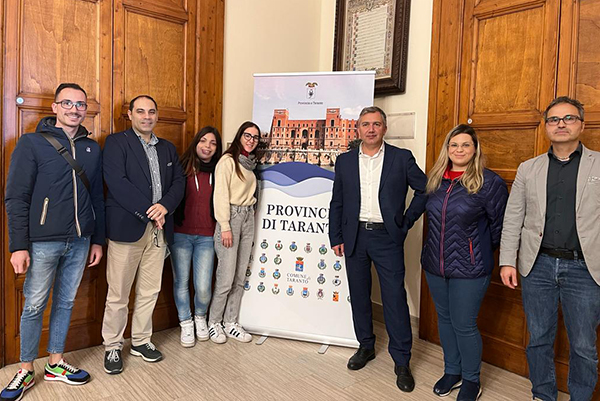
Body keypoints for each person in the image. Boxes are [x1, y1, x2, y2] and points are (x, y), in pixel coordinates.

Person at [2, 83, 105, 401]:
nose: (75, 109)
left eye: (81, 104)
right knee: (34, 304)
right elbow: (16, 197)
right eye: (68, 103)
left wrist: (97, 240)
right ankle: (25, 368)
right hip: (43, 242)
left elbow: (97, 197)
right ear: (55, 107)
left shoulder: (91, 148)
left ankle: (55, 363)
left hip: (80, 240)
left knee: (65, 302)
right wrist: (18, 245)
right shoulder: (32, 143)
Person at [499, 96, 600, 401]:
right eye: (554, 119)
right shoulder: (528, 169)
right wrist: (507, 261)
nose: (561, 124)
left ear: (581, 124)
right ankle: (543, 394)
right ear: (546, 126)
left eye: (569, 118)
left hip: (585, 269)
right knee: (538, 338)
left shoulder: (598, 164)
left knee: (583, 344)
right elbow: (513, 218)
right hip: (538, 266)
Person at [328, 106, 427, 392]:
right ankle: (366, 346)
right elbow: (337, 201)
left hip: (387, 238)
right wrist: (335, 236)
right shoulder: (345, 161)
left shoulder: (401, 158)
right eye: (365, 124)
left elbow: (425, 189)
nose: (370, 129)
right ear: (357, 129)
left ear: (384, 128)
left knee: (394, 298)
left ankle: (402, 361)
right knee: (359, 295)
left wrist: (406, 221)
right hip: (354, 236)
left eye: (376, 124)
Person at [421, 124, 508, 400]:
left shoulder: (489, 182)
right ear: (447, 149)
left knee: (464, 324)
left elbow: (500, 227)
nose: (459, 150)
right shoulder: (436, 179)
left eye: (465, 145)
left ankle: (471, 379)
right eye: (454, 145)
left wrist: (475, 250)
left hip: (470, 268)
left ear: (475, 149)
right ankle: (452, 371)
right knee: (445, 320)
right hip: (435, 265)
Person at [101, 95, 184, 374]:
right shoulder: (117, 143)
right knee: (118, 293)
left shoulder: (168, 148)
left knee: (150, 290)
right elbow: (117, 183)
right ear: (130, 114)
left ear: (157, 115)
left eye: (151, 112)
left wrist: (165, 207)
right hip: (128, 228)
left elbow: (178, 182)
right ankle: (113, 345)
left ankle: (140, 341)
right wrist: (151, 211)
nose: (146, 116)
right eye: (140, 111)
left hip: (159, 231)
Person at [207, 121, 260, 344]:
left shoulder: (251, 164)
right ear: (239, 136)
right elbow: (220, 195)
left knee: (239, 277)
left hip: (248, 217)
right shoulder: (227, 161)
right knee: (226, 277)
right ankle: (214, 322)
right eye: (247, 135)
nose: (251, 140)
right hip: (231, 217)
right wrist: (225, 226)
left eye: (255, 137)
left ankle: (230, 322)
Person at [171, 126, 222, 347]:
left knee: (203, 287)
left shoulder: (220, 171)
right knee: (181, 282)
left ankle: (200, 317)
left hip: (207, 236)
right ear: (196, 142)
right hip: (180, 234)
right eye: (203, 141)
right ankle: (185, 322)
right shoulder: (181, 167)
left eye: (213, 143)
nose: (207, 146)